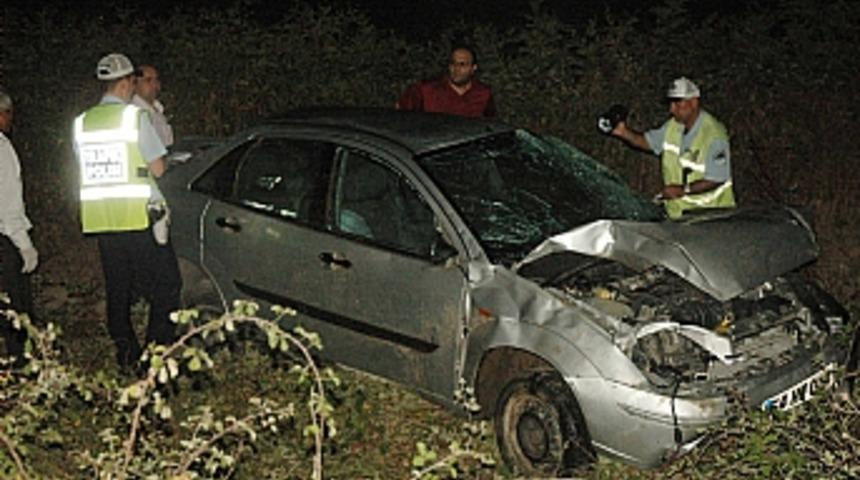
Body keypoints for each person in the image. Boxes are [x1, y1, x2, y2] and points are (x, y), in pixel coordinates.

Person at [73, 53, 181, 371]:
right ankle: (154, 357)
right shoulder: (134, 119)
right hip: (138, 218)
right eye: (134, 81)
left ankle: (126, 355)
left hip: (102, 220)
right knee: (167, 285)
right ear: (125, 83)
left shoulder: (81, 123)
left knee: (118, 290)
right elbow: (159, 169)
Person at [608, 77, 735, 219]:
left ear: (693, 102)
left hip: (711, 216)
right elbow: (648, 142)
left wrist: (683, 190)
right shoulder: (673, 126)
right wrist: (623, 132)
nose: (672, 109)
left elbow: (718, 178)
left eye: (677, 103)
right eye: (671, 103)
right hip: (678, 216)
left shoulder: (714, 134)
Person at [0, 89, 38, 366]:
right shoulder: (2, 149)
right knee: (17, 311)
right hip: (3, 241)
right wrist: (23, 244)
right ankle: (22, 367)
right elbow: (8, 201)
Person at [396, 45, 496, 118]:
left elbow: (490, 124)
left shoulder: (483, 94)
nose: (456, 69)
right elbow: (400, 115)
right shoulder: (426, 90)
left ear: (473, 68)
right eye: (453, 63)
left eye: (462, 65)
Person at [132, 64, 174, 148]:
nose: (154, 85)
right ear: (135, 85)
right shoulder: (135, 112)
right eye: (148, 80)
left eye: (156, 80)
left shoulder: (158, 109)